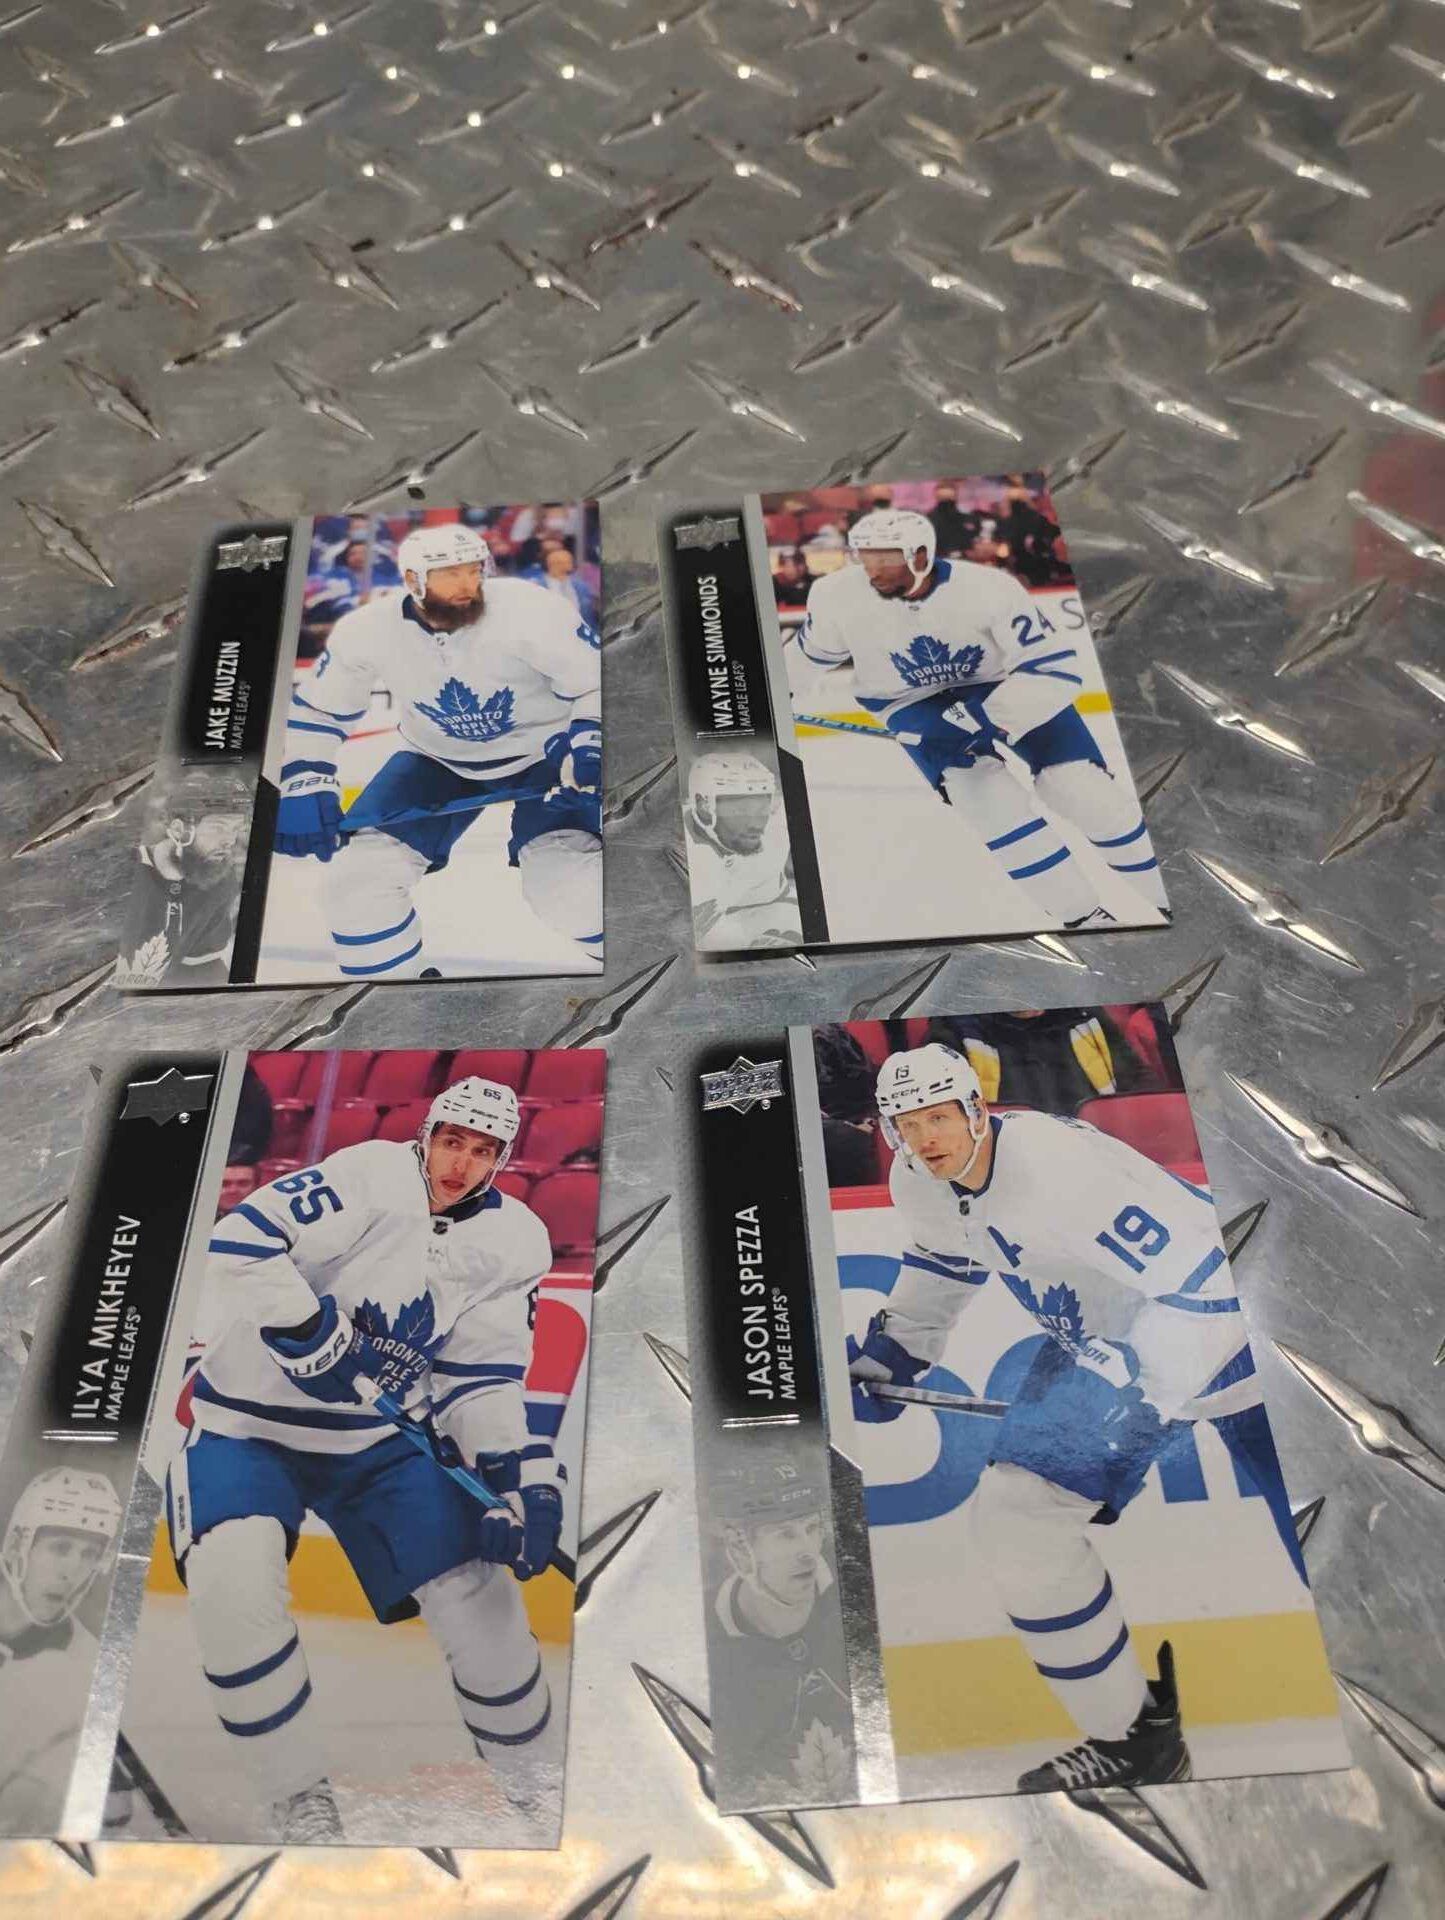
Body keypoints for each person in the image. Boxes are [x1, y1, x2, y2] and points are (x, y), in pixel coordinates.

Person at [848, 1044, 1304, 1792]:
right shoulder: (917, 1178)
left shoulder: (1059, 1173)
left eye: (939, 1117)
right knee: (1016, 1520)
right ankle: (1132, 1741)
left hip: (1229, 1344)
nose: (925, 1138)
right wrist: (898, 1348)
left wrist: (1145, 1382)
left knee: (1327, 1535)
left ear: (976, 1109)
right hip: (1099, 1346)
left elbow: (1213, 1286)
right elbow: (948, 1258)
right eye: (908, 1124)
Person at [169, 1075, 567, 1842]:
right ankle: (297, 1801)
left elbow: (479, 1377)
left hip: (379, 1442)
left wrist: (517, 1476)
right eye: (451, 1142)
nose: (460, 1164)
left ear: (503, 1159)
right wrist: (305, 1329)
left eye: (482, 1151)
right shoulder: (367, 1175)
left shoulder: (516, 1238)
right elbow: (241, 1243)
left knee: (484, 1606)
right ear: (426, 1135)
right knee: (231, 1585)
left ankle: (539, 1794)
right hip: (247, 1428)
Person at [794, 508, 1168, 930]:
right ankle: (1084, 918)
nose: (872, 570)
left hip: (1002, 684)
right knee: (989, 803)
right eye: (865, 557)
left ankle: (1165, 892)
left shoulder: (987, 588)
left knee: (1081, 789)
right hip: (911, 704)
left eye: (885, 558)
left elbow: (1053, 665)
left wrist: (990, 716)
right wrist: (763, 696)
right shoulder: (835, 596)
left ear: (920, 556)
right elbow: (805, 659)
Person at [274, 521, 602, 977]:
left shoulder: (530, 608)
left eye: (473, 570)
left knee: (566, 885)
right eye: (449, 574)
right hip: (436, 761)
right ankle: (396, 1001)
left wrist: (590, 745)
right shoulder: (368, 630)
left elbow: (595, 681)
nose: (467, 585)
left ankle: (637, 960)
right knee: (354, 885)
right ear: (413, 580)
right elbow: (319, 710)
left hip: (546, 757)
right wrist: (304, 781)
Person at [709, 1463, 852, 1802]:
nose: (808, 1552)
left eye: (811, 1528)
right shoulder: (709, 1639)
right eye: (785, 1534)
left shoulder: (854, 1586)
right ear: (741, 1550)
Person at [0, 1469, 123, 1835]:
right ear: (19, 1543)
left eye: (90, 1554)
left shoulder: (88, 1667)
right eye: (60, 1548)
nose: (73, 1571)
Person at [116, 773, 251, 986]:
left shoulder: (221, 883)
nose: (230, 841)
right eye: (218, 828)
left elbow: (205, 969)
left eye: (235, 830)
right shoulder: (124, 873)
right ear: (179, 830)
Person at [686, 752, 800, 950]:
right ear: (704, 807)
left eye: (761, 809)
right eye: (740, 811)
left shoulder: (778, 827)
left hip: (775, 916)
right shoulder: (677, 851)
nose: (756, 825)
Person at [925, 1007, 1143, 1109]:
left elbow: (1139, 1088)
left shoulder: (1084, 1014)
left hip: (1098, 1153)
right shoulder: (955, 1030)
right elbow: (943, 1116)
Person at [994, 476, 1063, 588]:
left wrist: (1022, 496)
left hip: (1030, 543)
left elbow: (1036, 515)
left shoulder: (1033, 515)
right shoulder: (1003, 501)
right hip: (1018, 544)